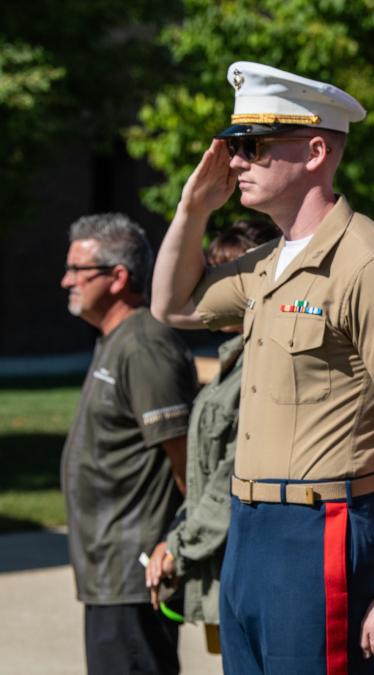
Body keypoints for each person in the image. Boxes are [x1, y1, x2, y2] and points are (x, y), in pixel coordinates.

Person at [150, 62, 374, 674]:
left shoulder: (365, 263)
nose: (235, 162)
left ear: (315, 150)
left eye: (251, 147)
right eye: (233, 147)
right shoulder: (268, 261)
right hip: (250, 526)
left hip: (322, 528)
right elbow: (170, 305)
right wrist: (192, 209)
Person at [60, 213, 197, 675]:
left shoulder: (144, 347)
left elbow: (185, 465)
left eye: (78, 271)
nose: (66, 281)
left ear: (118, 277)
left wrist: (175, 545)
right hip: (108, 573)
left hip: (134, 574)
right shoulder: (114, 340)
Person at [145, 220, 280, 650]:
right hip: (222, 560)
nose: (212, 284)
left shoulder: (265, 366)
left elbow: (230, 474)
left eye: (225, 272)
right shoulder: (234, 358)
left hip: (251, 563)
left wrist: (180, 546)